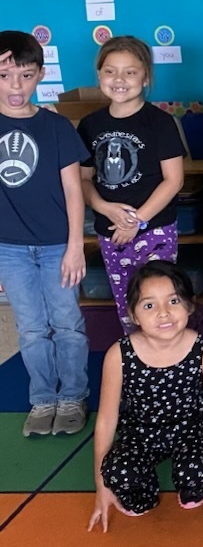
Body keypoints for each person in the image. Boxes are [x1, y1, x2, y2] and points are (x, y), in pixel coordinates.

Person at [88, 262, 203, 532]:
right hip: (139, 435)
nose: (163, 313)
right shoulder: (119, 355)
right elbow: (106, 421)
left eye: (173, 301)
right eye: (149, 305)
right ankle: (144, 491)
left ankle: (193, 486)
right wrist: (101, 486)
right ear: (134, 314)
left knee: (199, 471)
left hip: (190, 432)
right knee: (120, 474)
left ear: (190, 305)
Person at [0, 33, 89, 437]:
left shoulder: (56, 126)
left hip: (58, 247)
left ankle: (72, 396)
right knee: (31, 328)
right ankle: (42, 399)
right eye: (4, 76)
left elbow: (73, 189)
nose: (15, 86)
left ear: (40, 74)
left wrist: (75, 247)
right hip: (9, 249)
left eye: (25, 75)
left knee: (67, 323)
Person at [78, 36, 186, 333]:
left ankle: (168, 353)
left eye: (130, 72)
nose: (119, 79)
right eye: (110, 71)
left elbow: (174, 180)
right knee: (127, 305)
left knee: (161, 302)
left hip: (155, 229)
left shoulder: (160, 122)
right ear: (99, 75)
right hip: (111, 231)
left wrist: (137, 220)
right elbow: (84, 179)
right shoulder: (90, 125)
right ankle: (137, 354)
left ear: (146, 76)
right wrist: (104, 207)